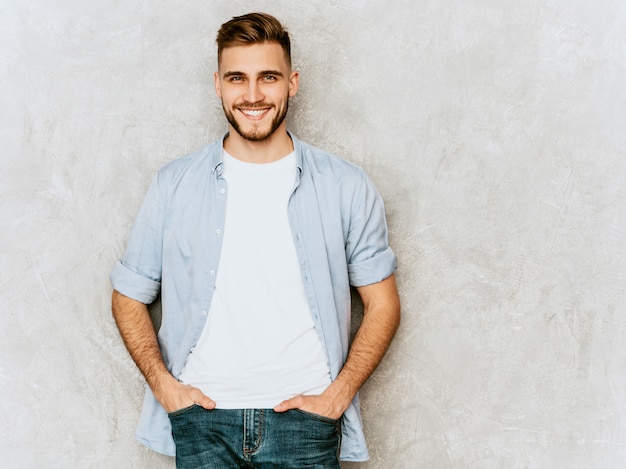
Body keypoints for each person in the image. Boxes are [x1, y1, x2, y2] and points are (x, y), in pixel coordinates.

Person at [110, 11, 400, 468]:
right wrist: (167, 388)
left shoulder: (346, 185)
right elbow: (128, 296)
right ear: (217, 84)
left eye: (268, 77)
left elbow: (383, 304)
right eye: (236, 78)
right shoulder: (174, 184)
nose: (252, 95)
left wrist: (336, 398)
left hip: (307, 424)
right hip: (202, 420)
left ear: (293, 83)